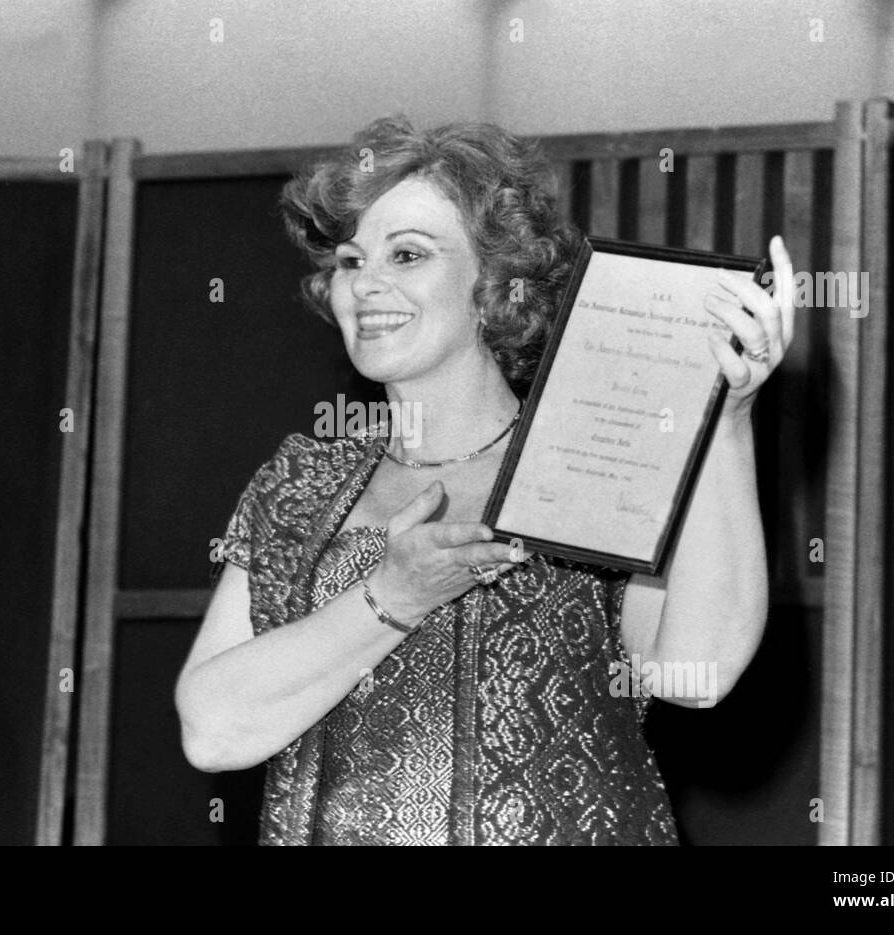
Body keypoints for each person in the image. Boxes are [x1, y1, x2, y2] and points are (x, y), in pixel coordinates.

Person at [175, 115, 794, 845]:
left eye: (407, 255)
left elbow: (699, 671)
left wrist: (726, 419)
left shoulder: (590, 449)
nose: (365, 284)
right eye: (349, 260)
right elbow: (212, 731)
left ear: (496, 281)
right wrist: (391, 596)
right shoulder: (300, 480)